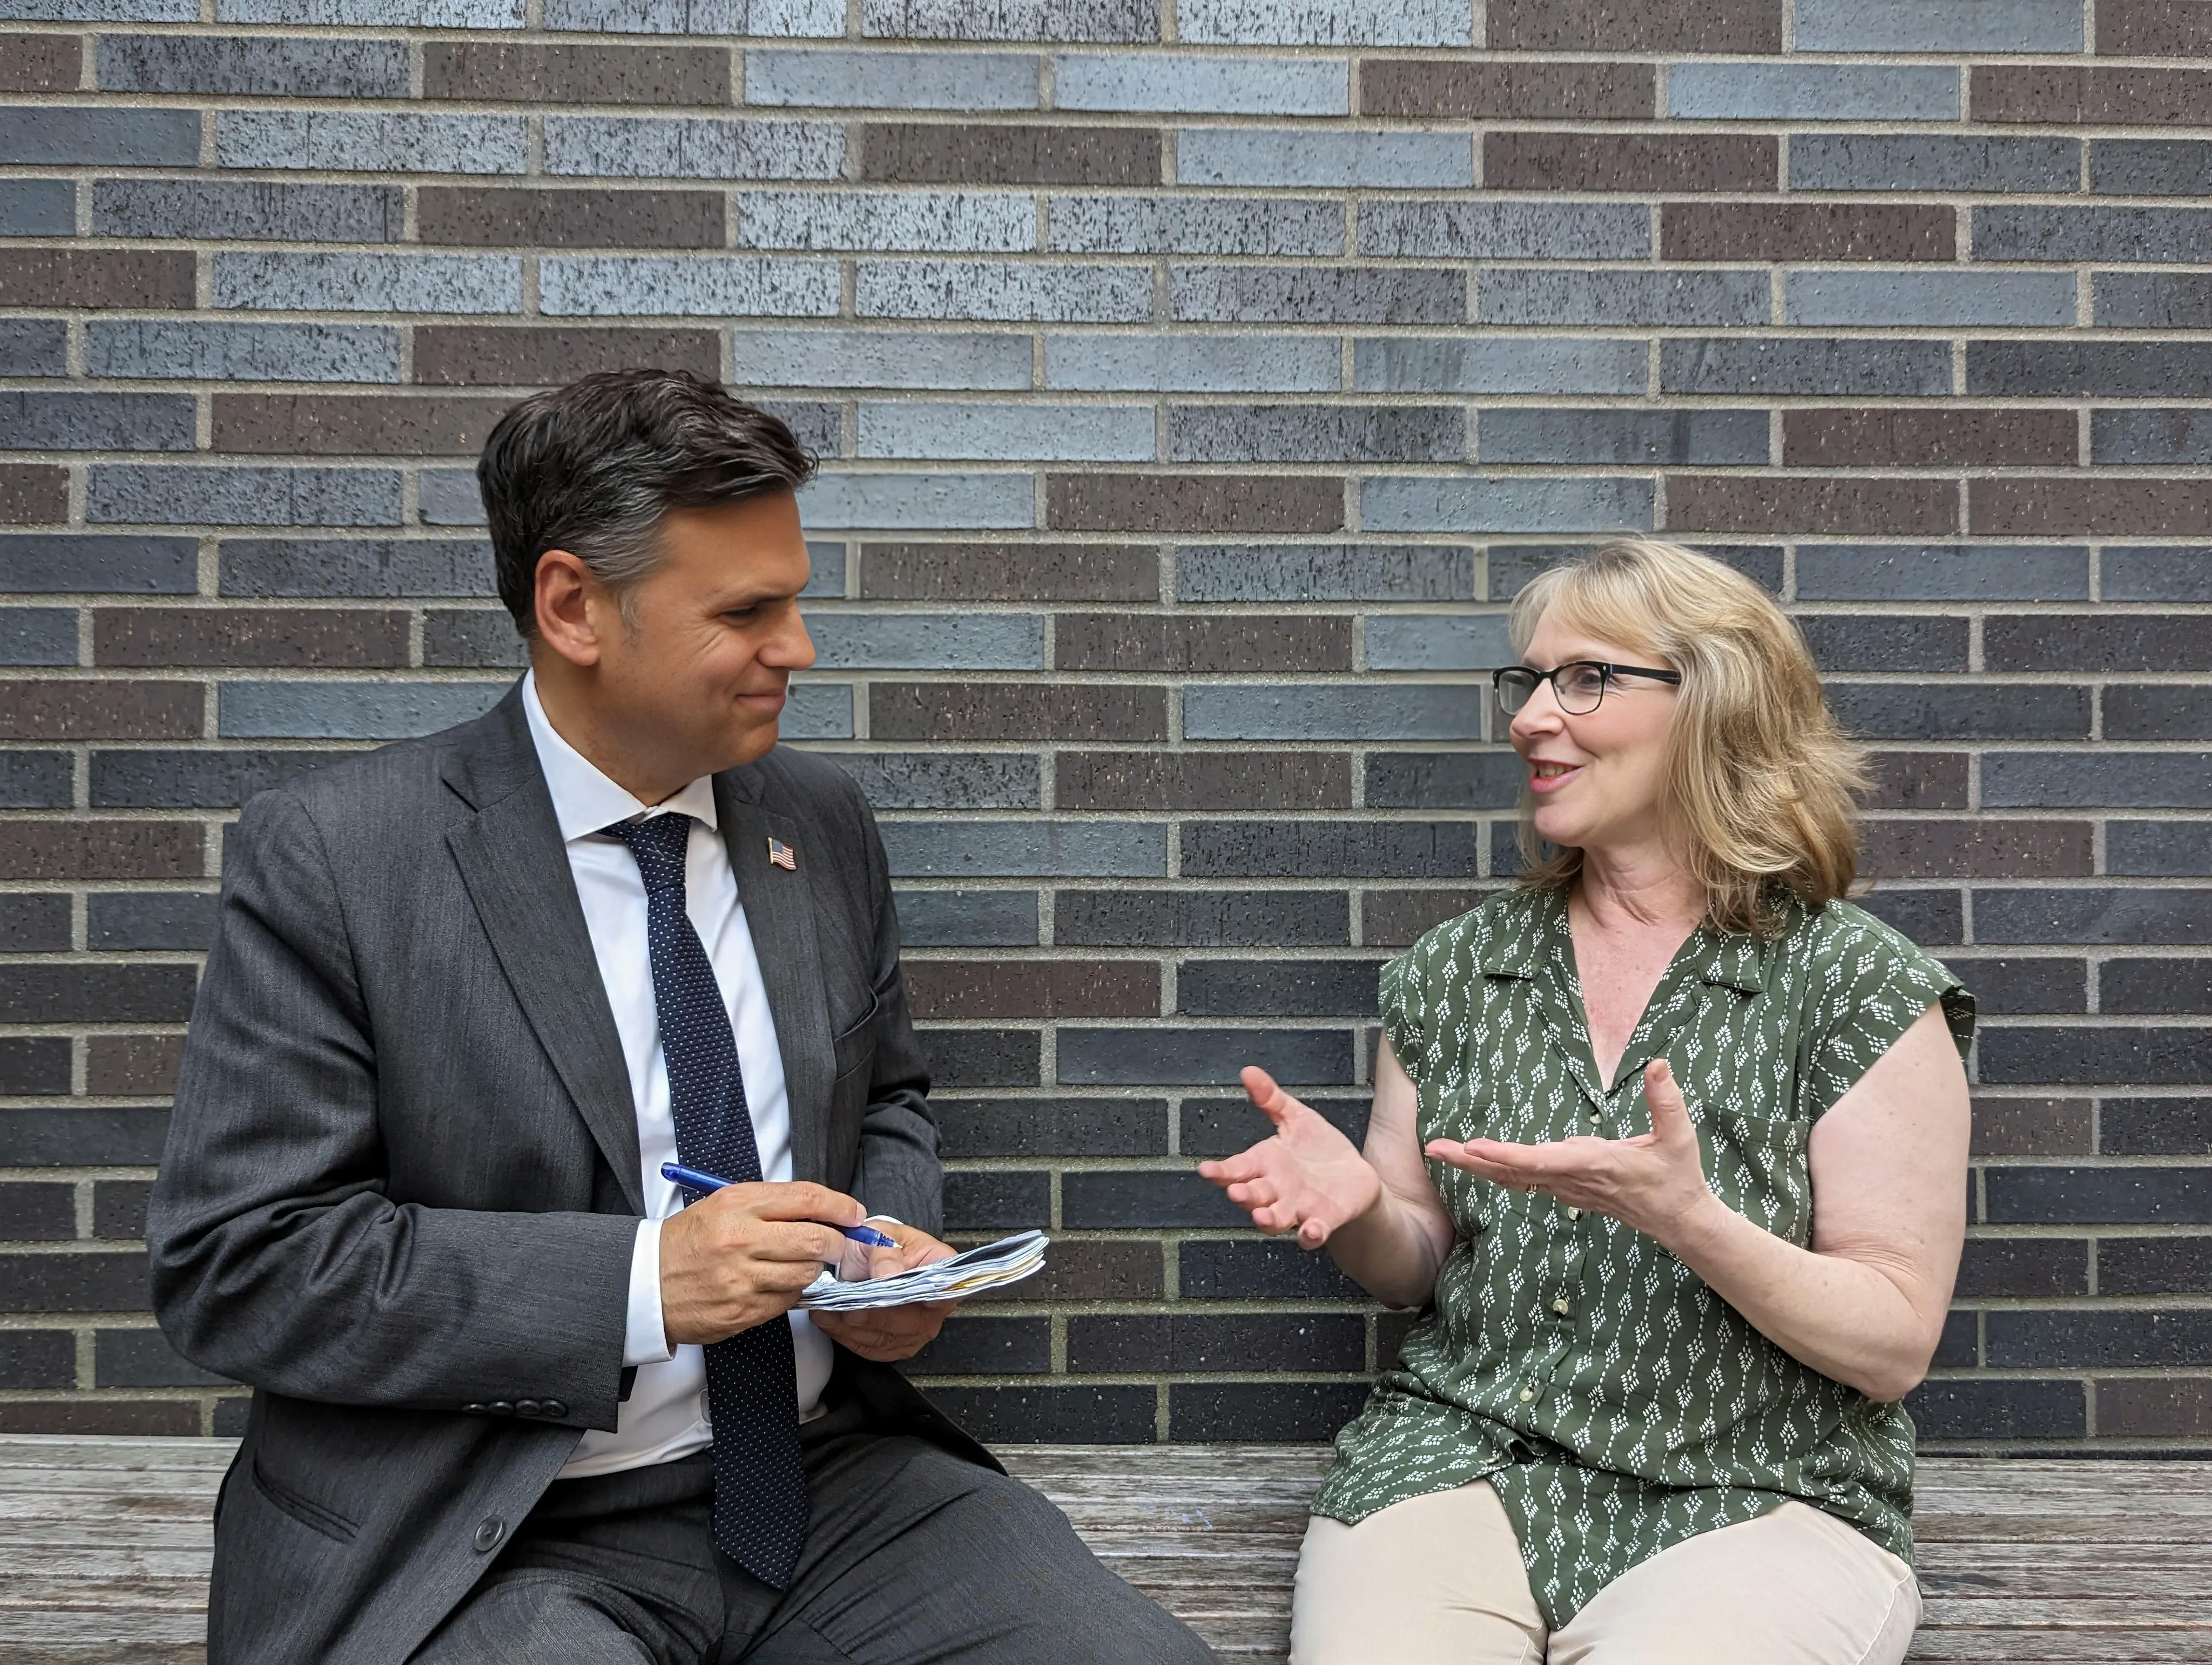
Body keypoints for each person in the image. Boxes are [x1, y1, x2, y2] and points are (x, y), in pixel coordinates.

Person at [148, 370, 1216, 1665]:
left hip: (829, 1494)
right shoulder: (341, 857)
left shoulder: (817, 826)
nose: (799, 648)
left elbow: (883, 1097)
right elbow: (242, 1268)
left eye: (795, 600)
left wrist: (880, 1256)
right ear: (571, 606)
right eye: (746, 611)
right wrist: (649, 1282)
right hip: (490, 1531)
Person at [1201, 538, 1972, 1665]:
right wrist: (1362, 1210)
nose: (1528, 717)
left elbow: (1891, 1345)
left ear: (1712, 704)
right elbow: (1417, 1264)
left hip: (1760, 1491)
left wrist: (1689, 1221)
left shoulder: (1856, 985)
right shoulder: (1450, 972)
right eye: (1528, 681)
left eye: (1585, 678)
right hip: (1461, 1463)